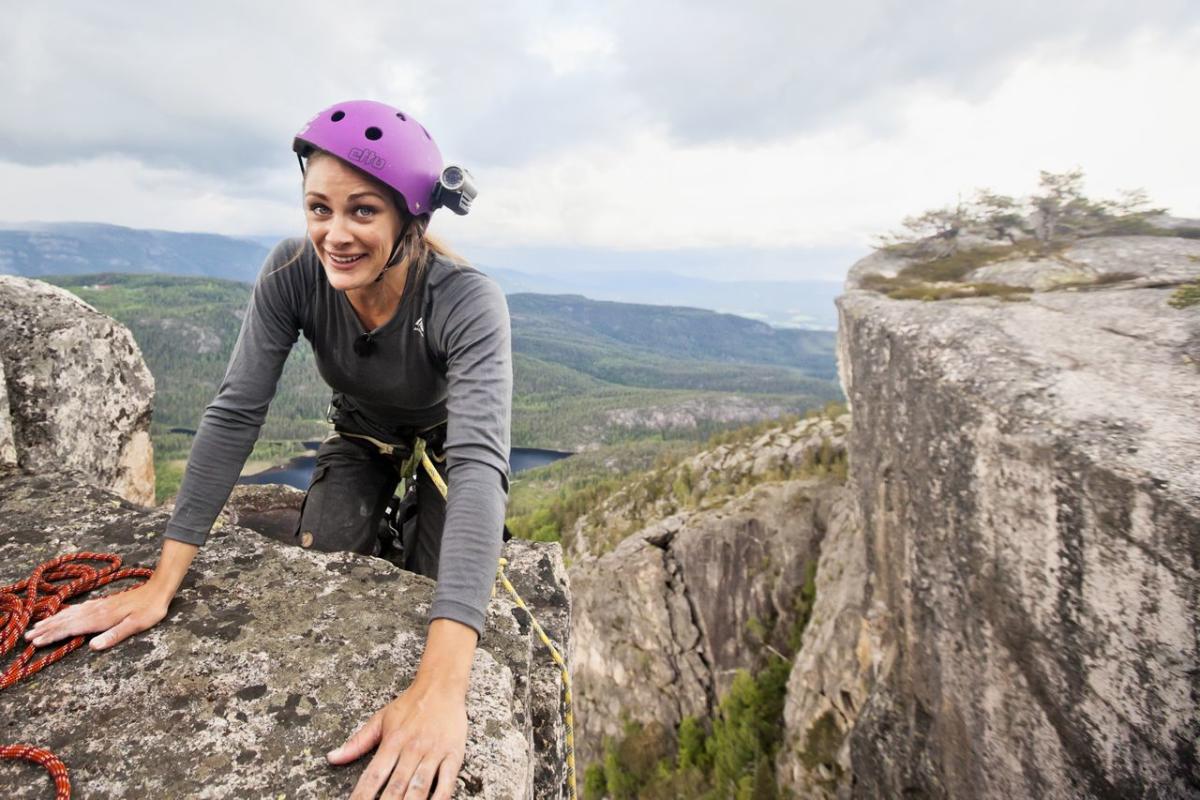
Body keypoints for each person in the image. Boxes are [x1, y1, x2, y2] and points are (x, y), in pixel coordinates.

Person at [24, 99, 513, 800]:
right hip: (363, 437)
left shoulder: (465, 301)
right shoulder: (293, 273)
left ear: (414, 220)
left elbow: (477, 466)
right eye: (319, 208)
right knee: (328, 554)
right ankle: (375, 515)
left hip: (445, 446)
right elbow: (234, 414)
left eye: (362, 211)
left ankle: (413, 528)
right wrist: (162, 584)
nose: (334, 234)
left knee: (432, 590)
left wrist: (442, 691)